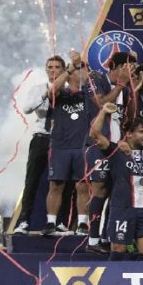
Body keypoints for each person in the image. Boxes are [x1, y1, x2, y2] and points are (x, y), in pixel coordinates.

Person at [89, 103, 143, 260]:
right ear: (129, 134)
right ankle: (113, 283)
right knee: (118, 251)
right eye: (141, 132)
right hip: (122, 208)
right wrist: (103, 111)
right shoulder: (115, 151)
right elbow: (94, 134)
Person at [84, 50, 136, 252]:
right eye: (129, 67)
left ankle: (107, 237)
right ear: (117, 67)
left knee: (117, 192)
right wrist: (122, 84)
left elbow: (129, 117)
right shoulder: (96, 78)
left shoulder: (126, 87)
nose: (132, 71)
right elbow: (101, 103)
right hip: (98, 144)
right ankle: (92, 242)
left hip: (119, 146)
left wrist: (132, 89)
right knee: (100, 190)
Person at [13, 55, 65, 234]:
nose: (53, 70)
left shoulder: (69, 91)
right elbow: (26, 109)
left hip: (61, 141)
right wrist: (46, 93)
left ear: (64, 70)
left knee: (61, 182)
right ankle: (23, 221)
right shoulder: (38, 89)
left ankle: (60, 222)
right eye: (50, 67)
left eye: (57, 67)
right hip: (41, 138)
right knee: (32, 181)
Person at [42, 55, 91, 236]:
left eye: (82, 70)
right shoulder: (60, 93)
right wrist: (69, 68)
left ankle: (83, 224)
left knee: (83, 186)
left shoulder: (89, 95)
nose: (81, 74)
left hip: (82, 146)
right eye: (78, 70)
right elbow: (52, 91)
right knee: (56, 185)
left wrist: (81, 67)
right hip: (60, 146)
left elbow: (92, 82)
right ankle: (50, 222)